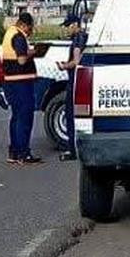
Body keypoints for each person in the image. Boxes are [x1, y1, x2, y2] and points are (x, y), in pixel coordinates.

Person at [0, 12, 41, 164]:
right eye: (30, 28)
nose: (31, 31)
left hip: (11, 82)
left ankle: (14, 152)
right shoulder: (18, 36)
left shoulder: (9, 33)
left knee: (16, 117)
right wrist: (33, 52)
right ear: (24, 25)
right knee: (24, 118)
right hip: (21, 82)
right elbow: (22, 60)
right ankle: (24, 153)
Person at [57, 14, 87, 162]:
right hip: (81, 81)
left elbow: (76, 61)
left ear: (75, 24)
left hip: (75, 81)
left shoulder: (78, 39)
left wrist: (63, 66)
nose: (67, 29)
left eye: (68, 26)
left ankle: (72, 150)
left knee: (70, 116)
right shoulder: (85, 37)